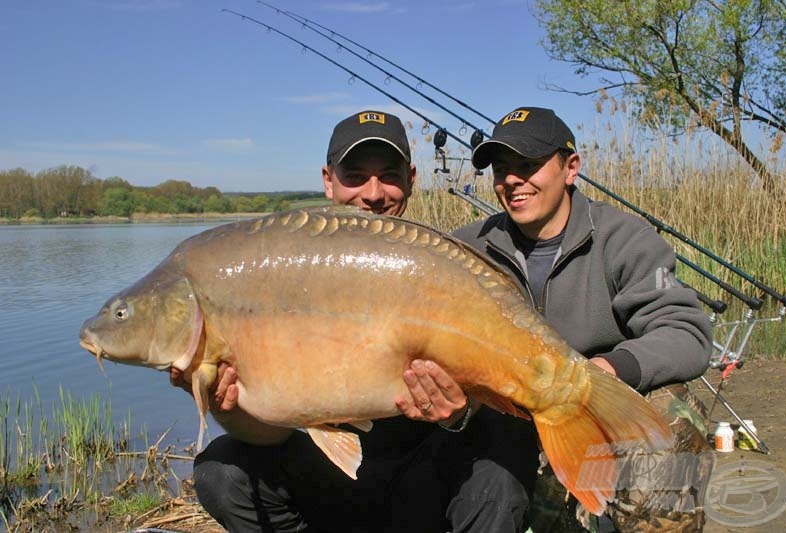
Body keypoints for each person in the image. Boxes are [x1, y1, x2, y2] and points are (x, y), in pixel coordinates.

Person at [183, 110, 538, 533]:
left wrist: (456, 415)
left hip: (427, 476)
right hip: (340, 479)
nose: (373, 193)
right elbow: (273, 434)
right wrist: (228, 406)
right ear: (327, 179)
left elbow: (489, 386)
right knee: (222, 471)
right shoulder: (280, 276)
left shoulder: (443, 272)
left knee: (506, 443)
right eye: (355, 175)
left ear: (410, 178)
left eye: (388, 175)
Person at [453, 106, 716, 531]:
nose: (512, 181)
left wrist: (608, 370)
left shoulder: (623, 238)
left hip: (597, 403)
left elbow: (684, 332)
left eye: (528, 165)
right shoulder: (466, 248)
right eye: (502, 169)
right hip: (506, 417)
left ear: (570, 168)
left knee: (674, 409)